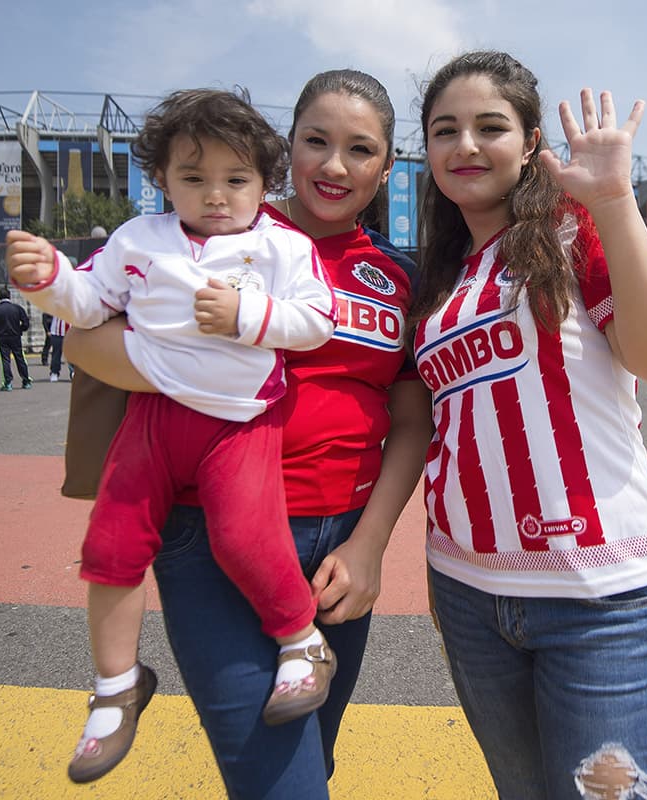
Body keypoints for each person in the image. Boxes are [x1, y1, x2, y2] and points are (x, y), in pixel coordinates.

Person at [63, 69, 431, 799]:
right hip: (208, 534)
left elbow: (411, 419)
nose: (334, 165)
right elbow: (83, 342)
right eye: (315, 141)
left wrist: (370, 543)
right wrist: (188, 367)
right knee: (278, 780)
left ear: (388, 168)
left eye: (360, 150)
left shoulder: (398, 276)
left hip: (338, 549)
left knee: (311, 761)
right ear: (283, 148)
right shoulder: (218, 226)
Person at [4, 88, 340, 784]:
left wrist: (248, 314)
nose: (216, 195)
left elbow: (315, 323)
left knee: (246, 539)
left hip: (241, 418)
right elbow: (90, 303)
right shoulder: (137, 240)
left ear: (265, 182)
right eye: (193, 178)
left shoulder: (282, 246)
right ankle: (115, 685)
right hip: (153, 421)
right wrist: (48, 280)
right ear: (162, 179)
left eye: (236, 179)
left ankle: (301, 641)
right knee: (110, 545)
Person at [409, 51, 647, 800]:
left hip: (605, 602)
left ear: (532, 141)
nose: (465, 145)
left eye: (489, 126)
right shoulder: (437, 279)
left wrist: (614, 200)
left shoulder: (574, 234)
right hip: (471, 598)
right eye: (445, 130)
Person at [0, 286, 32, 391]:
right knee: (20, 358)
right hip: (15, 336)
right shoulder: (17, 308)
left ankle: (8, 382)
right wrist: (19, 329)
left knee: (5, 360)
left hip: (1, 337)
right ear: (9, 296)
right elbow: (26, 323)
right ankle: (26, 380)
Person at [46, 313, 72, 381]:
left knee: (73, 355)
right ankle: (54, 372)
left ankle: (73, 371)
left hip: (72, 332)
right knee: (56, 354)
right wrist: (47, 329)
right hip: (57, 332)